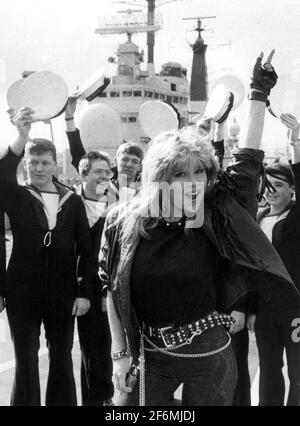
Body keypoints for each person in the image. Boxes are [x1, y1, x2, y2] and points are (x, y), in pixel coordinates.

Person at [99, 51, 300, 406]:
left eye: (200, 172)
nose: (194, 183)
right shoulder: (122, 222)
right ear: (159, 178)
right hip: (148, 353)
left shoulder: (216, 214)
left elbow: (247, 161)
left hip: (208, 352)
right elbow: (114, 292)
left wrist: (257, 93)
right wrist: (120, 354)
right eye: (181, 173)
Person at [0, 108, 93, 406]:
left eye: (44, 163)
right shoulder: (16, 195)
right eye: (33, 163)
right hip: (21, 290)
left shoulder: (73, 201)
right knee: (26, 358)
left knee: (61, 355)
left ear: (55, 164)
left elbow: (86, 249)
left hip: (62, 291)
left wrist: (84, 292)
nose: (38, 169)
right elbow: (2, 172)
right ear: (25, 165)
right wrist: (20, 138)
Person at [64, 98, 115, 406]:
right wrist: (70, 122)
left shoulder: (115, 204)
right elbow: (77, 154)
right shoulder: (70, 204)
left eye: (107, 172)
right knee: (86, 351)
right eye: (96, 172)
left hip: (104, 290)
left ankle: (99, 401)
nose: (103, 177)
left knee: (101, 350)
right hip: (75, 288)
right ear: (83, 175)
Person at [247, 112, 300, 406]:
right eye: (268, 187)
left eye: (279, 186)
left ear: (292, 189)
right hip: (266, 311)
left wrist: (295, 143)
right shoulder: (257, 219)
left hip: (295, 309)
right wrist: (251, 310)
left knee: (299, 374)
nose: (272, 193)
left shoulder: (297, 217)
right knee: (268, 370)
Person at [64, 96, 144, 207]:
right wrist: (69, 118)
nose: (129, 165)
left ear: (140, 166)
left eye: (135, 161)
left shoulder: (145, 194)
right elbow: (80, 158)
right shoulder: (102, 187)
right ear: (116, 161)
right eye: (125, 159)